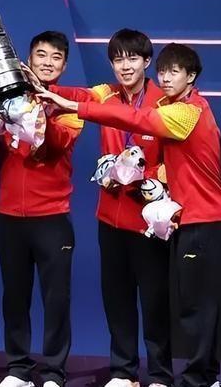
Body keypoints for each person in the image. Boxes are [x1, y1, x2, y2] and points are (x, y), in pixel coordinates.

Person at [38, 43, 221, 387]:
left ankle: (196, 379)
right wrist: (48, 90)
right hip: (184, 217)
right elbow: (87, 96)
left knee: (195, 306)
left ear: (191, 77)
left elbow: (136, 119)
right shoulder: (163, 102)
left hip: (201, 217)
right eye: (164, 71)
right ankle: (198, 376)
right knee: (190, 304)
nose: (166, 78)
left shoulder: (186, 111)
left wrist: (75, 108)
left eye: (175, 72)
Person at [50, 29, 173, 387]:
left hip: (148, 219)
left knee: (154, 300)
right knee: (117, 297)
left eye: (132, 58)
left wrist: (149, 176)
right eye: (118, 59)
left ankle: (161, 374)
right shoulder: (106, 94)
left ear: (147, 61)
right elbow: (77, 97)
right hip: (110, 216)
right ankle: (123, 371)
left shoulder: (164, 101)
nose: (125, 66)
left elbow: (177, 159)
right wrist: (42, 87)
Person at [0, 31, 82, 387]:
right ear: (28, 59)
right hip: (9, 217)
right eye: (41, 54)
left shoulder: (70, 105)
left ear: (64, 65)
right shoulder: (6, 97)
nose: (47, 62)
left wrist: (36, 108)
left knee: (56, 299)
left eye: (56, 57)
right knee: (14, 297)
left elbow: (53, 144)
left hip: (52, 218)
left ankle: (54, 372)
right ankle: (18, 369)